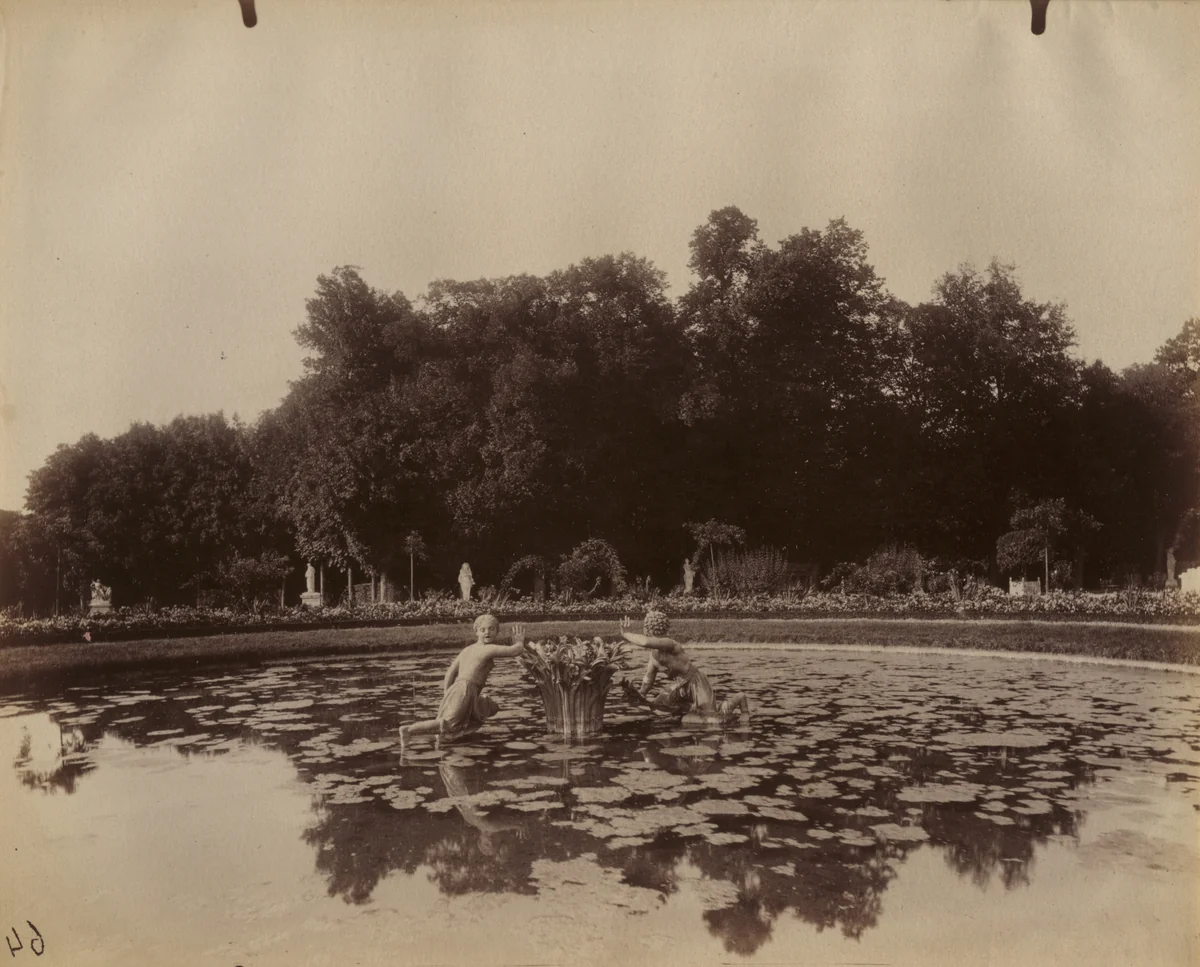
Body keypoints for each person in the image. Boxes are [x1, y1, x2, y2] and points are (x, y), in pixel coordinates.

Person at [399, 614, 528, 750]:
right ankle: (408, 730)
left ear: (497, 631)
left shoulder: (467, 650)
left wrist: (447, 693)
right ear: (476, 632)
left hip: (461, 689)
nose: (487, 632)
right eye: (483, 629)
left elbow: (450, 673)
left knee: (491, 707)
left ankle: (457, 733)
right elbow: (515, 650)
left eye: (491, 629)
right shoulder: (487, 649)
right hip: (465, 689)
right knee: (448, 724)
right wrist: (519, 641)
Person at [618, 611, 749, 723]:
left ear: (647, 629)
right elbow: (648, 682)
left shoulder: (670, 644)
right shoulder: (653, 657)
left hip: (695, 681)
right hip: (680, 686)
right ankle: (685, 713)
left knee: (713, 719)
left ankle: (739, 701)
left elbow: (645, 642)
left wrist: (625, 634)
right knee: (657, 706)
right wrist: (638, 695)